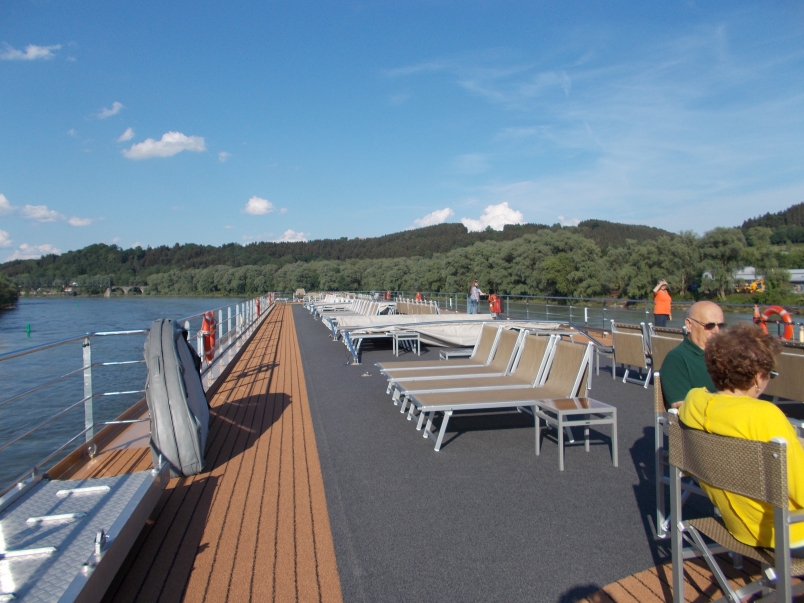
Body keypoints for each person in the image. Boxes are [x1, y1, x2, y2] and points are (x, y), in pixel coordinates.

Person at [678, 323, 804, 552]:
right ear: (757, 378)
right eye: (769, 376)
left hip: (737, 525)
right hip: (786, 532)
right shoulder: (765, 416)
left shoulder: (694, 403)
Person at [660, 300, 724, 409]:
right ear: (689, 325)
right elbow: (680, 405)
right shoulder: (676, 359)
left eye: (721, 326)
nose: (716, 331)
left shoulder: (727, 355)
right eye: (710, 326)